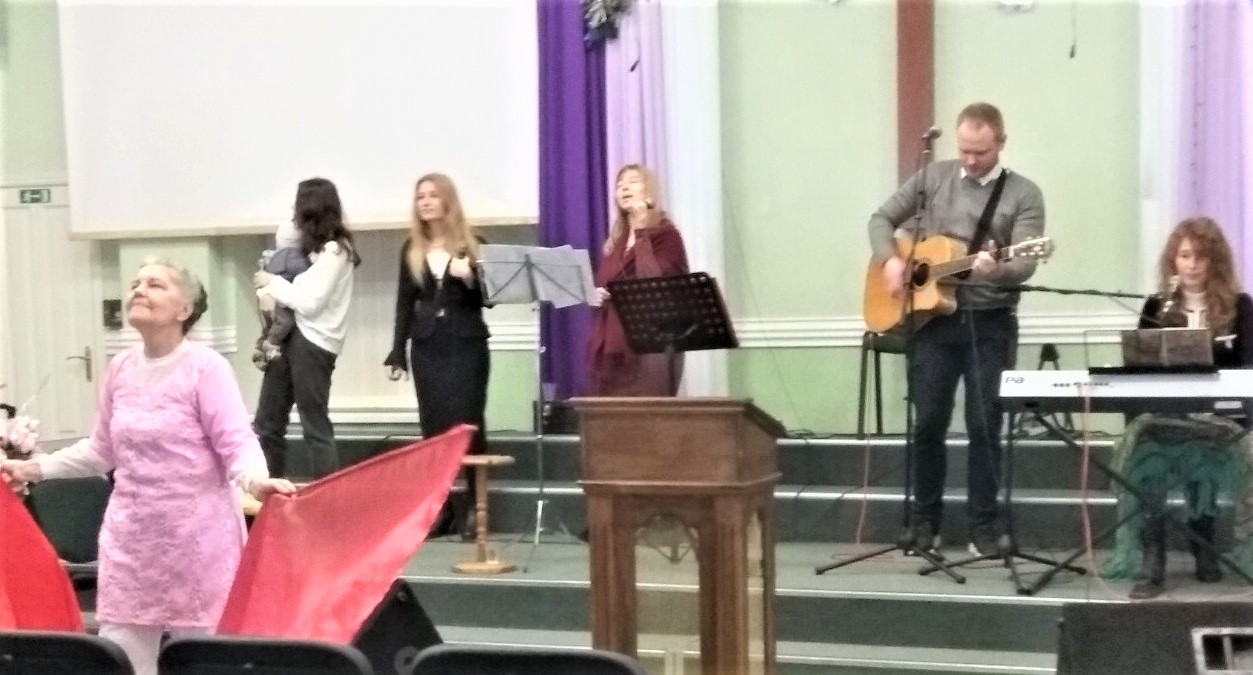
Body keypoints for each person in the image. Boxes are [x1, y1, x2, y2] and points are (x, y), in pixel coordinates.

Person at [1, 259, 296, 675]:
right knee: (121, 660)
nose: (139, 290)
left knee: (203, 661)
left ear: (184, 309)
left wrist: (257, 481)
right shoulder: (120, 368)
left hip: (198, 544)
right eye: (136, 284)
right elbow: (100, 451)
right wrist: (32, 469)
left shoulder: (206, 368)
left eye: (155, 284)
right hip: (132, 543)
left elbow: (237, 444)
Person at [866, 102, 1045, 556]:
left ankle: (982, 526)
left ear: (1001, 143)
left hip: (990, 322)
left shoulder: (1024, 194)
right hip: (933, 323)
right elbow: (880, 219)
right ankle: (924, 521)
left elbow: (1025, 262)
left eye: (980, 152)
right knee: (928, 422)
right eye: (964, 149)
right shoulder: (933, 177)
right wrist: (889, 261)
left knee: (984, 424)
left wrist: (996, 270)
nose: (970, 159)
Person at [1102, 217, 1253, 598]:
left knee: (1208, 447)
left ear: (1215, 261)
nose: (1192, 265)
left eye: (1201, 256)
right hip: (1166, 415)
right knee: (1146, 448)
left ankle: (1203, 544)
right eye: (1185, 256)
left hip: (1221, 418)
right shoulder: (1156, 306)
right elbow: (1137, 369)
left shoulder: (1241, 306)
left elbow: (1249, 369)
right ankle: (1153, 559)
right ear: (1173, 260)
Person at [384, 173, 490, 538]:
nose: (426, 202)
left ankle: (475, 509)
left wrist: (471, 276)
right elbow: (404, 303)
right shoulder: (410, 249)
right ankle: (440, 510)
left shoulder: (474, 244)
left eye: (432, 195)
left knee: (469, 424)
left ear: (447, 200)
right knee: (433, 430)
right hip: (428, 346)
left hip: (466, 344)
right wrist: (397, 351)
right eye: (421, 197)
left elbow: (490, 298)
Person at [253, 177, 360, 480]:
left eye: (298, 205)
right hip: (290, 337)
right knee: (267, 422)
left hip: (313, 343)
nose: (294, 213)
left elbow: (310, 302)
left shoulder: (336, 250)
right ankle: (268, 493)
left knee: (314, 426)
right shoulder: (309, 249)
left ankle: (328, 500)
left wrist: (272, 282)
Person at [588, 163, 690, 396]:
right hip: (610, 345)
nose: (624, 187)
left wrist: (642, 230)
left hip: (649, 347)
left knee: (645, 413)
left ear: (649, 192)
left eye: (633, 181)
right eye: (619, 185)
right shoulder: (616, 240)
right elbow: (603, 281)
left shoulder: (667, 235)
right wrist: (596, 294)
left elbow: (654, 281)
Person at [251, 218, 314, 369]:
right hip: (284, 304)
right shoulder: (301, 261)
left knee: (271, 324)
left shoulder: (273, 257)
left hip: (271, 297)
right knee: (284, 322)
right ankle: (270, 345)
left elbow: (262, 278)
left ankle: (264, 344)